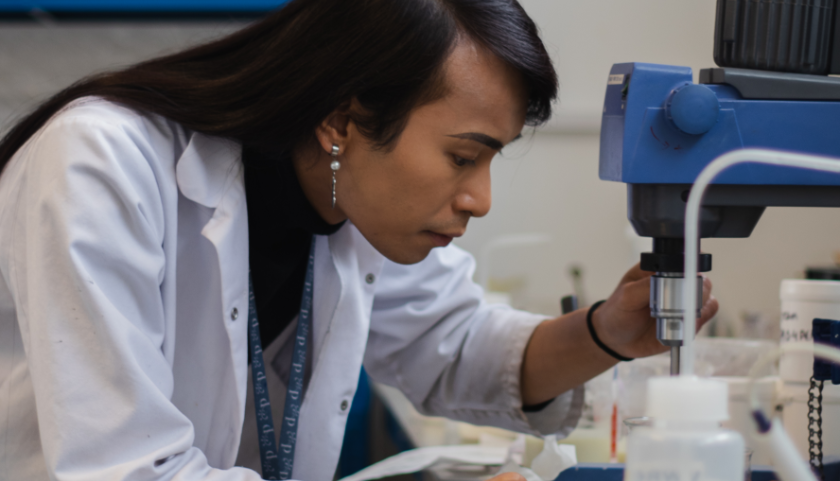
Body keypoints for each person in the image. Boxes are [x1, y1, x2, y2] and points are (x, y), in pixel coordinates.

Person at [0, 0, 718, 480]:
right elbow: (126, 468)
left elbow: (459, 346)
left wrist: (608, 331)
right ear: (341, 122)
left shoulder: (350, 206)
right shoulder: (101, 162)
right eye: (463, 157)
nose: (480, 199)